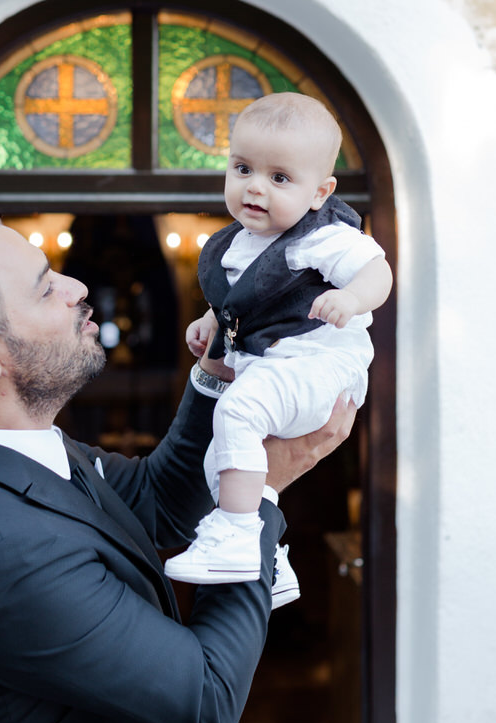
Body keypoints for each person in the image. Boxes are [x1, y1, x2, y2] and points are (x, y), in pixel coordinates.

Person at [0, 197, 355, 723]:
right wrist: (257, 495)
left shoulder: (7, 448)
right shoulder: (5, 555)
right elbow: (208, 695)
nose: (76, 287)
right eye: (44, 288)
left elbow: (160, 501)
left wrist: (220, 367)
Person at [164, 92, 392, 600]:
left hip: (319, 366)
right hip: (274, 372)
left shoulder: (322, 237)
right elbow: (242, 301)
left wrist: (351, 298)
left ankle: (236, 541)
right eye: (243, 168)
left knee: (238, 411)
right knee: (219, 460)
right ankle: (267, 554)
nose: (255, 187)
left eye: (280, 178)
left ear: (319, 193)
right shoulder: (236, 244)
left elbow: (378, 272)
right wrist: (210, 321)